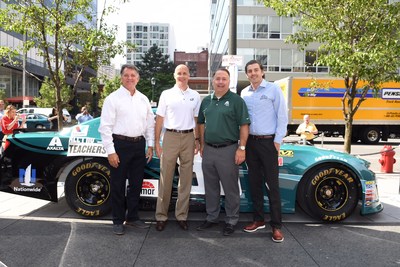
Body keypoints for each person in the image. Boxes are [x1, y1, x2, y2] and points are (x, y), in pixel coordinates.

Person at [98, 64, 155, 235]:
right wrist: (111, 151)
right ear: (121, 77)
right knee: (118, 184)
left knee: (136, 184)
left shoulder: (143, 99)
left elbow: (149, 125)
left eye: (133, 75)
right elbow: (105, 127)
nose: (130, 78)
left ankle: (133, 217)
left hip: (139, 146)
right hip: (119, 146)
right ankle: (117, 220)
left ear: (138, 78)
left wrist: (150, 145)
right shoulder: (112, 99)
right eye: (126, 75)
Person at [196, 68, 250, 236]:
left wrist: (242, 148)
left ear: (228, 81)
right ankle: (212, 217)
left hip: (229, 149)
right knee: (211, 187)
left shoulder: (236, 101)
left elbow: (244, 126)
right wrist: (201, 143)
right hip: (209, 150)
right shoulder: (206, 101)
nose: (220, 81)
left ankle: (231, 220)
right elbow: (201, 124)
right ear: (213, 81)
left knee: (230, 188)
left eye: (224, 79)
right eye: (218, 78)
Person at [241, 60, 288, 243]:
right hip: (251, 143)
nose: (253, 73)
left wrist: (277, 142)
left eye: (256, 70)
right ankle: (258, 219)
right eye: (250, 71)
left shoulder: (273, 89)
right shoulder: (244, 93)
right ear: (247, 75)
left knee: (272, 186)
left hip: (269, 143)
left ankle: (276, 226)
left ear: (262, 72)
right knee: (254, 183)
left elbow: (282, 116)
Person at [154, 64, 201, 231]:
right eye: (179, 73)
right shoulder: (166, 94)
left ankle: (182, 216)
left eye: (185, 73)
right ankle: (161, 216)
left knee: (186, 179)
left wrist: (197, 140)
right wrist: (156, 142)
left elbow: (196, 121)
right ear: (174, 75)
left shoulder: (195, 96)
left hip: (188, 137)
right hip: (170, 137)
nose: (182, 76)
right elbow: (159, 119)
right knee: (165, 177)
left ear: (189, 76)